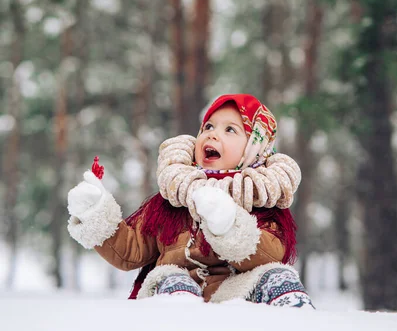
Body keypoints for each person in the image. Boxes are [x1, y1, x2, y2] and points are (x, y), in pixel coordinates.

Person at [67, 94, 314, 308]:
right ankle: (181, 323)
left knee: (278, 276)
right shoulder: (173, 200)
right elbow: (130, 250)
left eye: (230, 130)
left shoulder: (261, 200)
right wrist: (95, 212)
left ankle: (292, 326)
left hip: (236, 300)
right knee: (171, 277)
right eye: (208, 127)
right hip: (174, 293)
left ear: (254, 148)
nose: (213, 135)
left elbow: (271, 253)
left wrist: (230, 227)